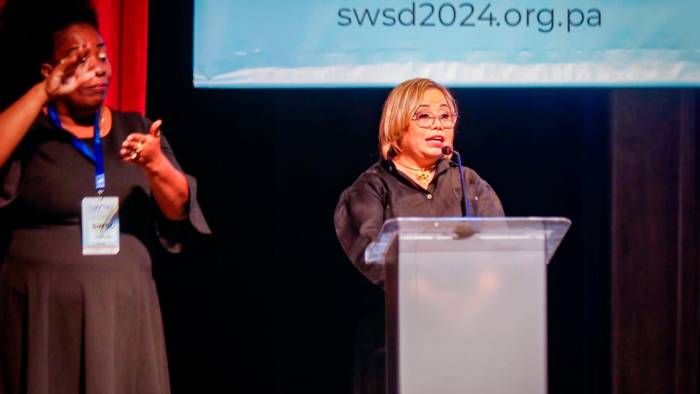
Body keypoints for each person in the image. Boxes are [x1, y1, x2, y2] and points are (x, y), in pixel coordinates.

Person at [0, 2, 209, 393]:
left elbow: (179, 206)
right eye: (80, 60)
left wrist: (155, 165)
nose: (99, 68)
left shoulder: (137, 128)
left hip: (121, 313)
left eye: (102, 55)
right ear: (50, 72)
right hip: (46, 314)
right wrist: (42, 94)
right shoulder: (29, 134)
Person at [333, 78, 504, 394]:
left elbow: (503, 253)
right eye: (424, 116)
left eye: (446, 116)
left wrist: (476, 299)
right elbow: (372, 255)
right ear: (397, 127)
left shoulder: (469, 183)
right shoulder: (371, 188)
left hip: (468, 336)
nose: (438, 124)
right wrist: (433, 295)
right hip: (394, 341)